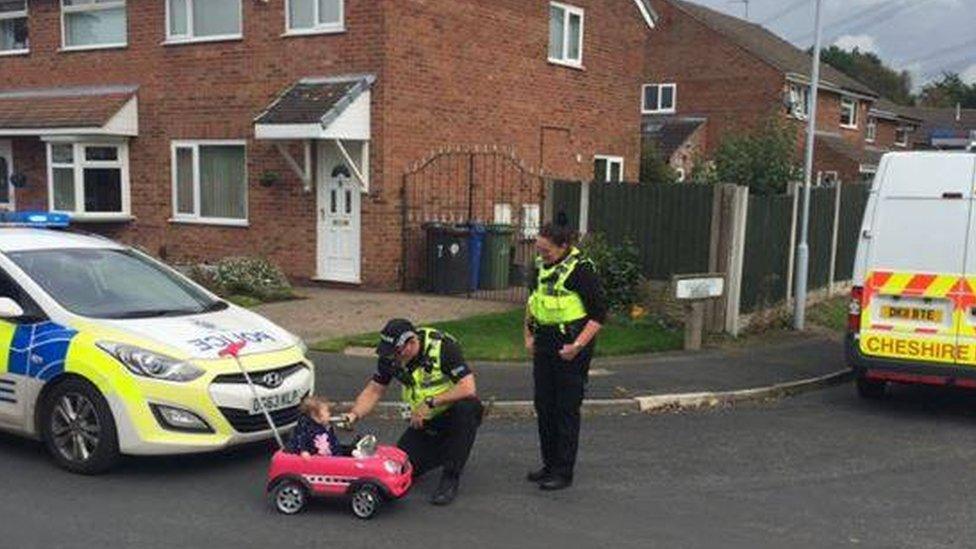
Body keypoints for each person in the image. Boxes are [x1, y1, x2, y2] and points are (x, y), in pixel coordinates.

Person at [344, 319, 483, 505]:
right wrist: (354, 414)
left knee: (468, 407)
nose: (393, 357)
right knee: (403, 467)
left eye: (397, 352)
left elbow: (468, 387)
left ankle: (451, 477)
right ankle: (445, 452)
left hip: (451, 413)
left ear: (411, 342)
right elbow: (375, 389)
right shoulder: (391, 357)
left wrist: (430, 403)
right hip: (423, 421)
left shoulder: (442, 347)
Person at [524, 223, 606, 491]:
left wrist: (577, 346)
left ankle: (563, 471)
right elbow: (533, 302)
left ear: (563, 246)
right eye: (539, 248)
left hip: (572, 345)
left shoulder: (581, 270)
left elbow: (598, 316)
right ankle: (549, 464)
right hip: (545, 342)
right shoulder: (540, 267)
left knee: (566, 408)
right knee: (544, 405)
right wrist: (528, 335)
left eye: (546, 250)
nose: (541, 254)